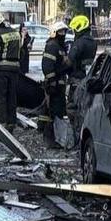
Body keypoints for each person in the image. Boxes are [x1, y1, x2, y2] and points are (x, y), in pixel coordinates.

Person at [38, 21, 72, 149]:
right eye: (60, 32)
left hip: (60, 84)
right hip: (54, 84)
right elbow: (47, 65)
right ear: (54, 33)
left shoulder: (60, 47)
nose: (63, 34)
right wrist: (52, 81)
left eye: (64, 32)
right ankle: (51, 140)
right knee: (54, 111)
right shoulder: (52, 46)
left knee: (57, 110)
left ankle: (53, 137)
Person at [66, 14, 98, 134]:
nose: (74, 32)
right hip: (87, 79)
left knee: (73, 107)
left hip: (76, 79)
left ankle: (75, 133)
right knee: (84, 107)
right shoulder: (93, 42)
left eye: (75, 29)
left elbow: (70, 61)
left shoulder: (79, 43)